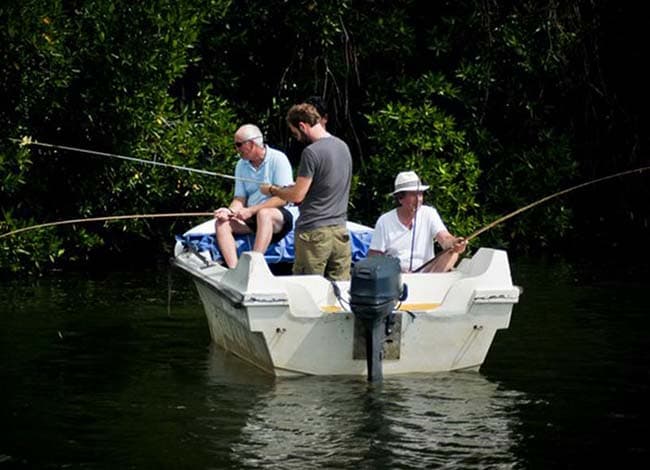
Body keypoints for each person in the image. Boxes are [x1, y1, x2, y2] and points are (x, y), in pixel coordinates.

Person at [260, 103, 353, 280]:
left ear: (302, 126)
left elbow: (297, 196)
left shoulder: (311, 153)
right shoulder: (343, 147)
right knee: (340, 292)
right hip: (341, 231)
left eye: (295, 132)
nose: (296, 137)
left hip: (313, 233)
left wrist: (273, 190)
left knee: (307, 289)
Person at [214, 124, 294, 268]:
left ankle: (253, 267)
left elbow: (283, 198)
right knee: (221, 223)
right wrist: (229, 211)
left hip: (277, 216)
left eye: (238, 145)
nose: (236, 149)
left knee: (264, 214)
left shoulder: (278, 159)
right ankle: (234, 270)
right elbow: (240, 198)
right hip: (252, 217)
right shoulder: (241, 165)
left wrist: (251, 210)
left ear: (251, 144)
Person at [368, 171, 466, 273]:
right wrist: (394, 271)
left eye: (420, 194)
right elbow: (374, 256)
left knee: (452, 252)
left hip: (428, 273)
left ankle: (431, 283)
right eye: (413, 195)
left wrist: (454, 243)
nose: (418, 199)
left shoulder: (429, 213)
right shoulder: (384, 221)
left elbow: (445, 238)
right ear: (400, 198)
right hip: (396, 277)